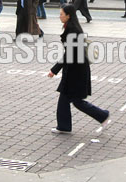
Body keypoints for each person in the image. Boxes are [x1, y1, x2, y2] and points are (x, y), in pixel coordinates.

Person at [47, 5, 110, 133]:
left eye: (61, 14)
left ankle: (103, 115)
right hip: (75, 69)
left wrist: (54, 70)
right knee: (67, 99)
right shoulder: (71, 28)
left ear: (68, 15)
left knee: (76, 100)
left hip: (76, 71)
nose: (59, 16)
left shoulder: (72, 30)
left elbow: (68, 54)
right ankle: (65, 126)